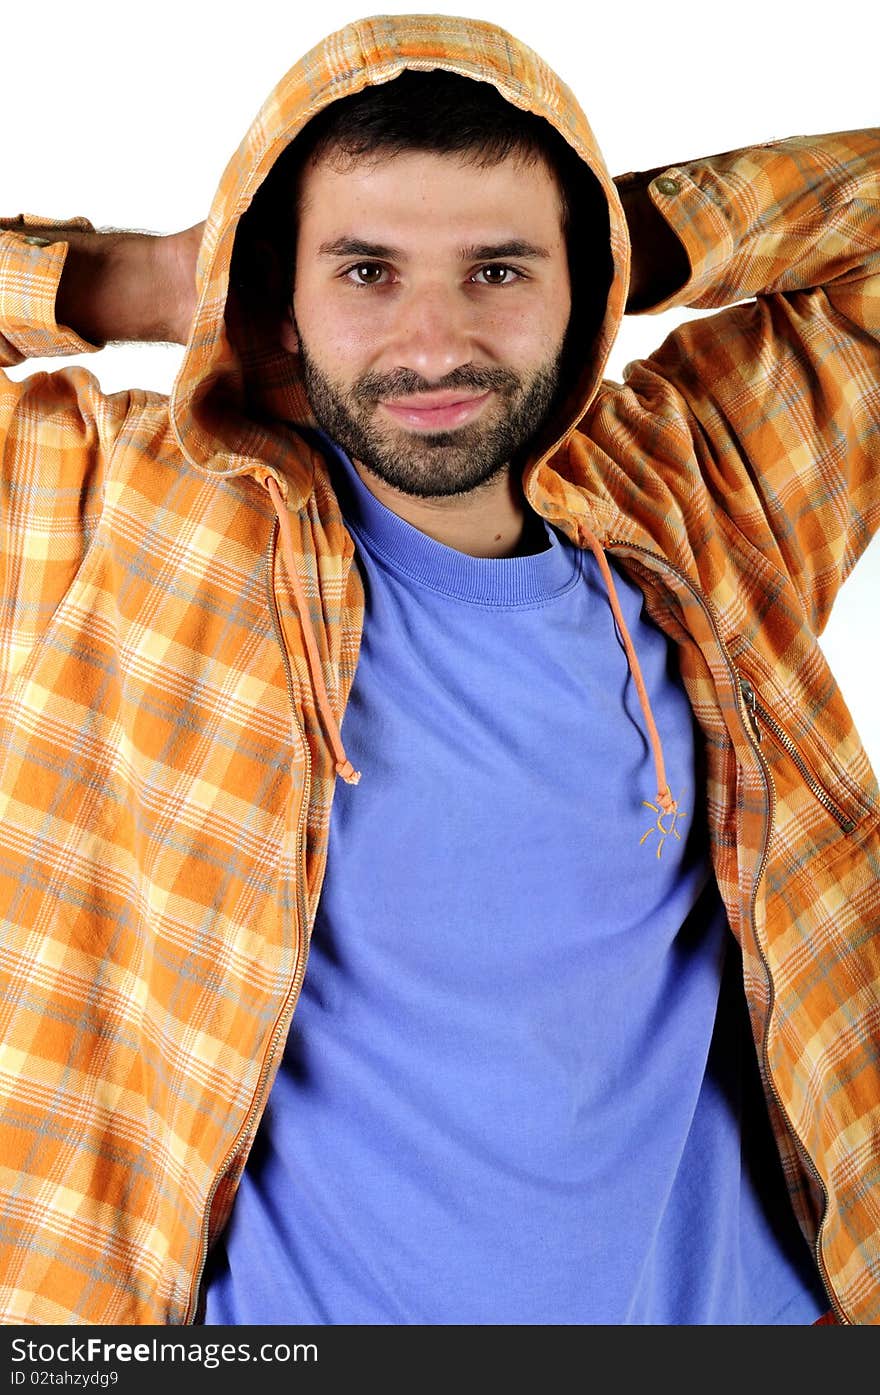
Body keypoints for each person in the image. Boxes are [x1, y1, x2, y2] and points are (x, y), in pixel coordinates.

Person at [0, 12, 877, 1328]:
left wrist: (638, 235)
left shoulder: (702, 480)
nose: (431, 345)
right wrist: (146, 281)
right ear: (274, 298)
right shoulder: (114, 509)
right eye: (364, 271)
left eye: (497, 272)